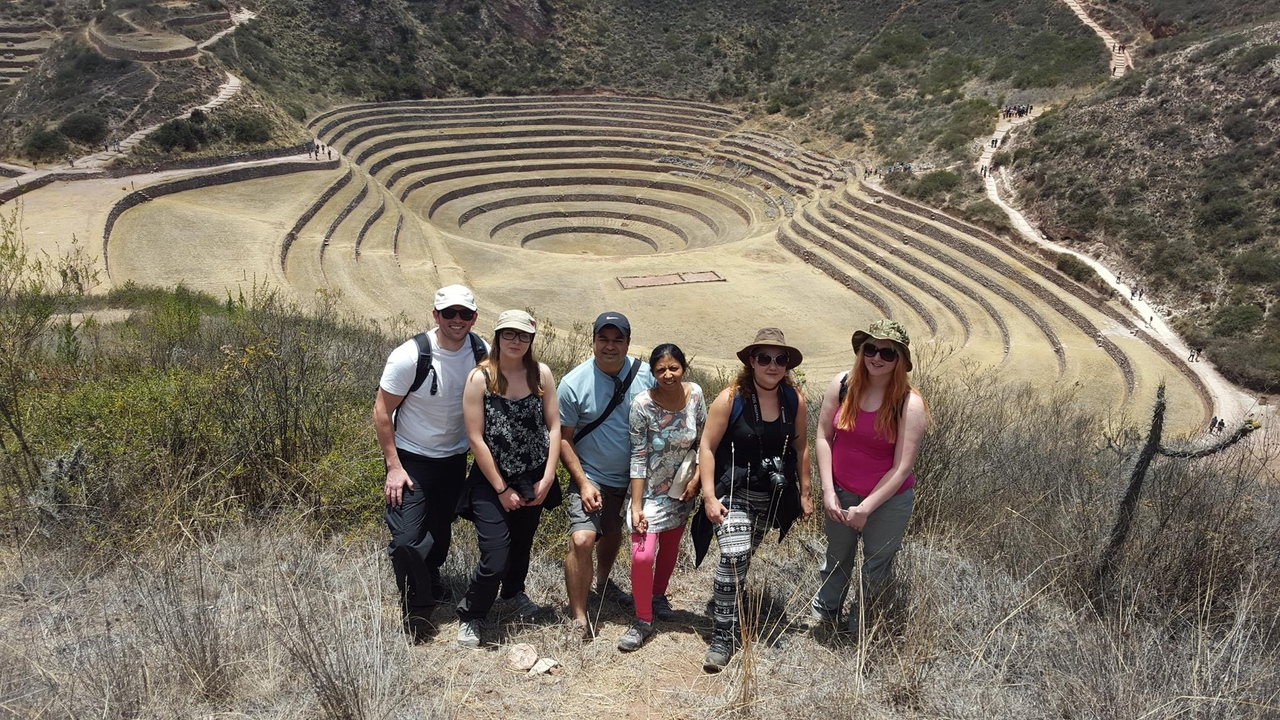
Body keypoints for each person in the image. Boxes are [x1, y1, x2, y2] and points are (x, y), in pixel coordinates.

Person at [694, 328, 813, 673]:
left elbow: (801, 446)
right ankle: (724, 635)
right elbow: (707, 447)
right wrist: (708, 496)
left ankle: (728, 602)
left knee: (742, 559)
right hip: (733, 493)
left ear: (787, 364)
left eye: (780, 359)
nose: (772, 365)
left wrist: (806, 493)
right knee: (733, 556)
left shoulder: (794, 400)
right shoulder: (731, 398)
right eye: (764, 358)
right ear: (751, 361)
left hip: (770, 497)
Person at [373, 285, 488, 642]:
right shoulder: (411, 355)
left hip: (453, 459)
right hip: (411, 459)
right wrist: (394, 466)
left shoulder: (481, 351)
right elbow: (382, 410)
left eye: (464, 314)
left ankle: (431, 580)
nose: (457, 320)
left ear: (474, 317)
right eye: (449, 313)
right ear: (435, 315)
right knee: (407, 539)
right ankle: (418, 612)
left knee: (439, 533)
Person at [809, 320, 929, 634]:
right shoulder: (843, 385)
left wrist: (866, 508)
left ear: (899, 359)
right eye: (871, 349)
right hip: (841, 491)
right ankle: (826, 615)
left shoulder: (909, 403)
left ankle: (860, 625)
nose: (876, 357)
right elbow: (823, 437)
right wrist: (828, 491)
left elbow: (901, 468)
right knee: (837, 557)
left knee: (876, 565)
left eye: (887, 353)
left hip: (888, 502)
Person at [455, 311, 561, 648]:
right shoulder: (480, 378)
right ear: (498, 336)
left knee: (522, 543)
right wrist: (501, 488)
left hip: (534, 474)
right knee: (495, 554)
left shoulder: (540, 374)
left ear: (531, 340)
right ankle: (472, 614)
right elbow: (475, 438)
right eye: (509, 334)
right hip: (492, 480)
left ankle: (514, 592)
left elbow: (554, 426)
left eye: (523, 336)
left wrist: (548, 476)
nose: (516, 341)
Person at [559, 312, 654, 637]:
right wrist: (583, 482)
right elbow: (564, 438)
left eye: (617, 340)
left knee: (612, 532)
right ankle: (579, 617)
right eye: (603, 339)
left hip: (634, 478)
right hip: (591, 475)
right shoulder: (573, 383)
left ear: (628, 342)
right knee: (582, 539)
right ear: (593, 341)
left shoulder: (647, 375)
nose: (610, 346)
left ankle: (602, 583)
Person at [618, 344, 707, 652]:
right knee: (642, 556)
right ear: (653, 373)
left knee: (670, 548)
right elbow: (638, 455)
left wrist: (696, 479)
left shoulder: (695, 395)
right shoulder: (641, 404)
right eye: (661, 370)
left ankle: (657, 597)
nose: (668, 375)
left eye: (674, 368)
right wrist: (637, 506)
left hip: (682, 489)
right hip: (649, 492)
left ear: (684, 367)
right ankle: (643, 620)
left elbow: (704, 441)